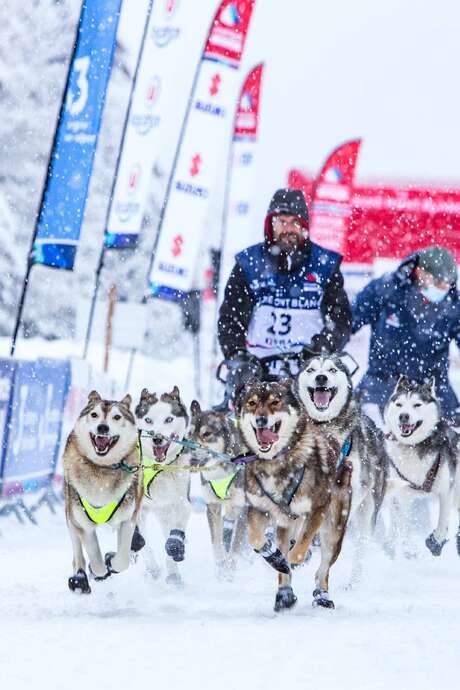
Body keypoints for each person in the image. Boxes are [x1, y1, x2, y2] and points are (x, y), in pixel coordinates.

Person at [216, 188, 352, 407]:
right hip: (258, 370)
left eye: (294, 222)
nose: (288, 229)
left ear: (304, 226)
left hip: (309, 371)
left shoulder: (325, 265)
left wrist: (323, 346)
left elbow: (341, 319)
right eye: (281, 221)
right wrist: (238, 355)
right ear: (271, 225)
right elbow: (230, 320)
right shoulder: (248, 264)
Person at [352, 245, 460, 423]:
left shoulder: (453, 304)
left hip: (433, 386)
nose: (443, 287)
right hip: (382, 380)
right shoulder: (385, 290)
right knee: (362, 430)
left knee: (452, 438)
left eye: (448, 283)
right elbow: (346, 323)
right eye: (439, 282)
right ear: (420, 273)